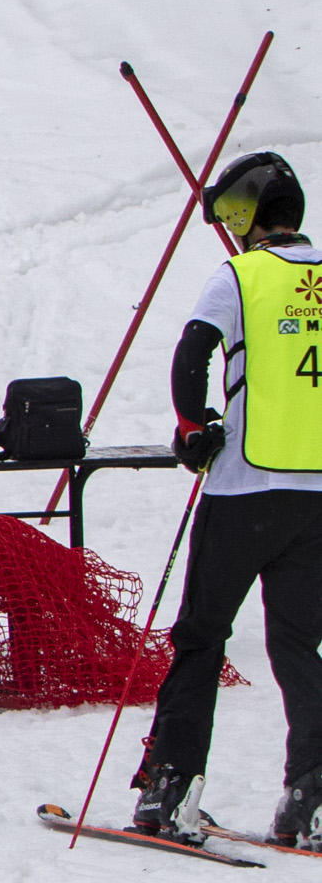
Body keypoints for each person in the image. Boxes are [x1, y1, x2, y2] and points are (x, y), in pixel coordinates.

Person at [133, 149, 322, 846]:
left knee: (202, 636)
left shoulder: (241, 275)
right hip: (317, 496)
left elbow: (193, 349)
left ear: (250, 217)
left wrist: (193, 427)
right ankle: (314, 796)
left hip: (245, 486)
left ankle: (171, 789)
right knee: (299, 643)